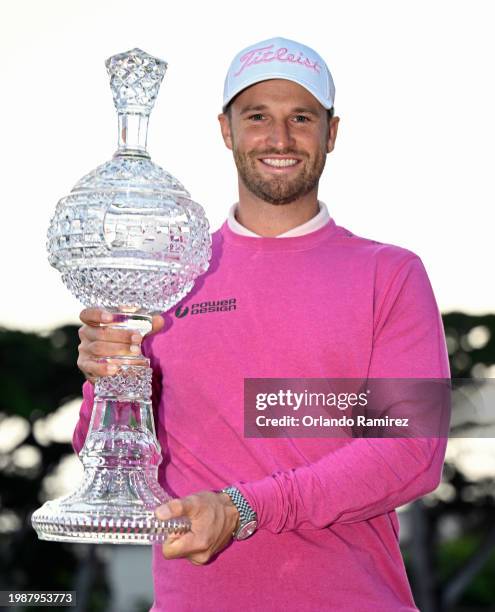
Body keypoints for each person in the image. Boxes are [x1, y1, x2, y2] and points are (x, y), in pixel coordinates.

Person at [74, 37, 450, 611]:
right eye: (257, 117)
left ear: (331, 132)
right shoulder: (171, 273)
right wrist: (106, 379)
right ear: (226, 130)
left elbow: (409, 453)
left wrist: (242, 509)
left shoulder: (389, 273)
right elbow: (102, 453)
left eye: (301, 117)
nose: (279, 138)